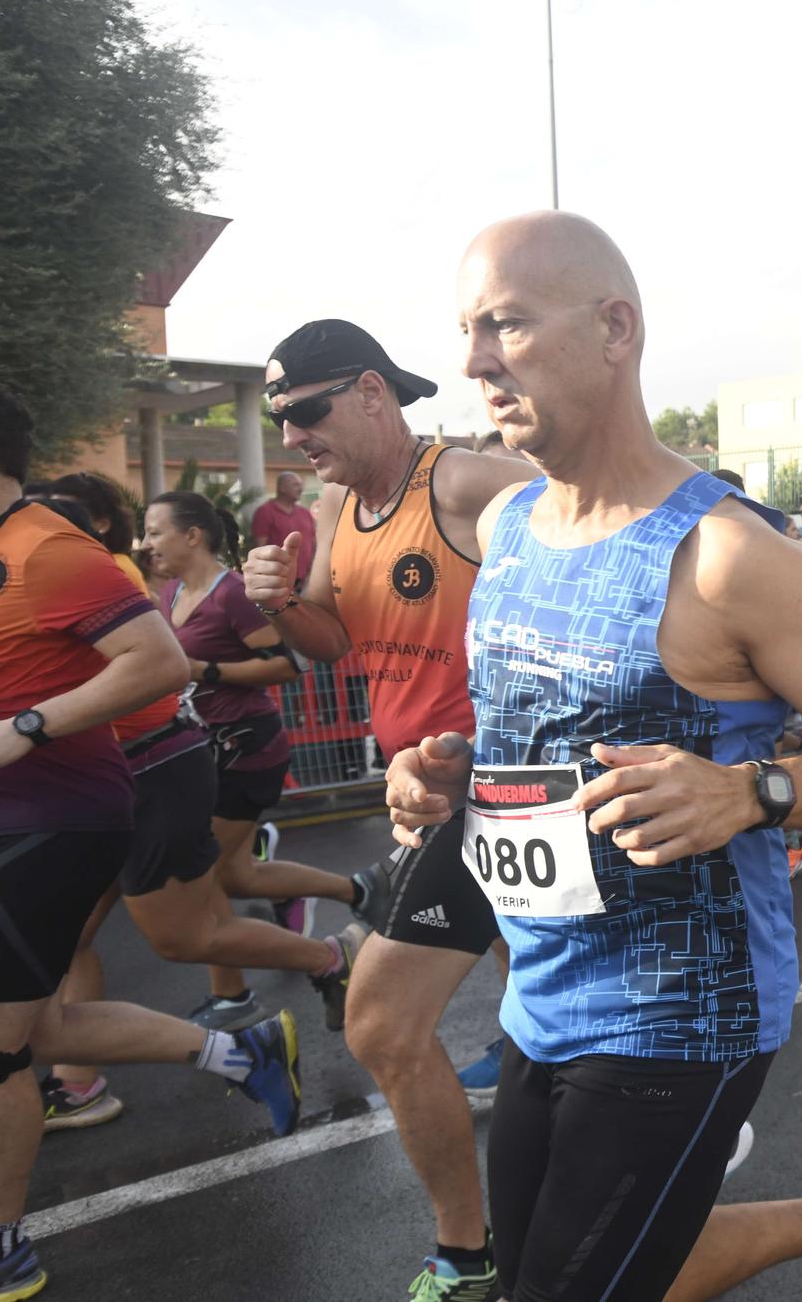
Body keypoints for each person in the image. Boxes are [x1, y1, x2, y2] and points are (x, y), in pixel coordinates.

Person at [389, 210, 802, 1301]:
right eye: (466, 330)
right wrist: (442, 778)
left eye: (505, 323)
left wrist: (750, 789)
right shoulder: (504, 525)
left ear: (614, 329)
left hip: (680, 1013)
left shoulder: (730, 555)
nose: (472, 361)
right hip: (538, 991)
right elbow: (525, 744)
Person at [241, 317, 539, 1296]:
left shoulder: (459, 482)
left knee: (379, 1022)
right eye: (279, 417)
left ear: (372, 390)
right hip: (419, 790)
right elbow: (332, 640)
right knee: (544, 1008)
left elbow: (601, 538)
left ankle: (469, 1247)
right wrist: (280, 600)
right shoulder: (334, 503)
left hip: (503, 792)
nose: (291, 435)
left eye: (305, 411)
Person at [0, 398, 302, 1302]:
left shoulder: (48, 547)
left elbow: (159, 660)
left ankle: (7, 1246)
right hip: (24, 816)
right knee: (40, 1026)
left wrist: (25, 726)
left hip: (52, 817)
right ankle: (237, 1056)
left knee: (10, 1044)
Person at [141, 491, 372, 1028]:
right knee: (234, 875)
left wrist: (205, 670)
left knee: (211, 880)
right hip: (202, 751)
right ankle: (359, 890)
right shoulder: (172, 592)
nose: (147, 542)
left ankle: (241, 994)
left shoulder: (232, 595)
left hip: (246, 749)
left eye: (155, 530)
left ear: (192, 535)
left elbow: (286, 665)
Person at [249, 471, 317, 584]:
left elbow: (314, 543)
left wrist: (312, 572)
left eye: (300, 485)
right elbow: (259, 549)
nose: (300, 489)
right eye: (295, 485)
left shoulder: (305, 513)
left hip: (307, 579)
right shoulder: (265, 512)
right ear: (282, 488)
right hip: (277, 581)